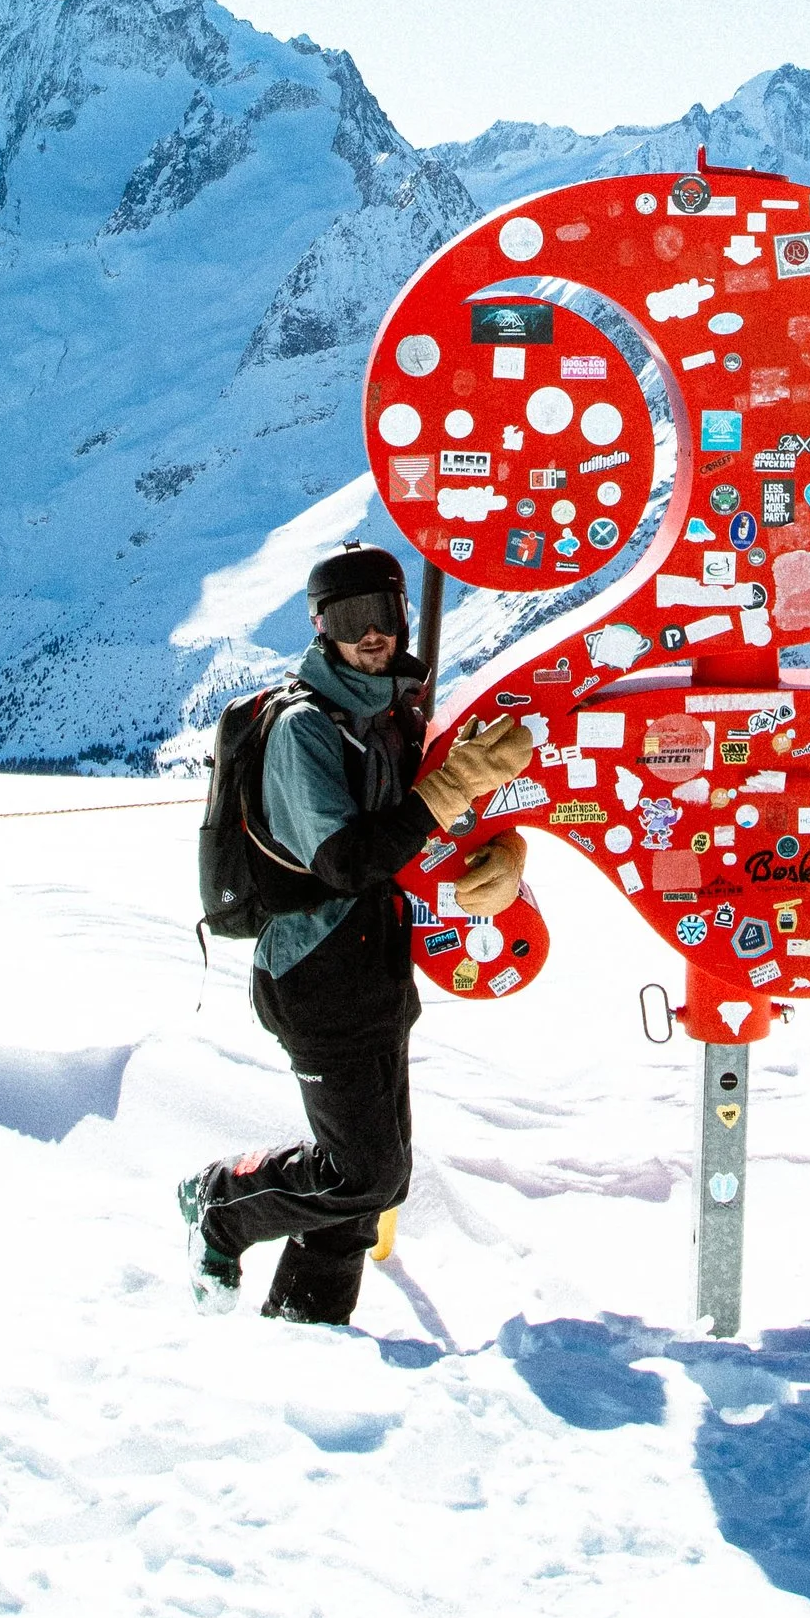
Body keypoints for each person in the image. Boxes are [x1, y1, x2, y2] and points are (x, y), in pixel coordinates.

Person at [179, 544, 533, 1324]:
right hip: (314, 976)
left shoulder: (394, 712)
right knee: (359, 1175)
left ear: (401, 615)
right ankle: (221, 1204)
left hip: (378, 969)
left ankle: (306, 1333)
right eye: (347, 618)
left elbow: (426, 835)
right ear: (320, 627)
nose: (369, 633)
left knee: (375, 1183)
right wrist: (451, 787)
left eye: (380, 613)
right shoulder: (304, 729)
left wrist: (503, 851)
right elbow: (346, 861)